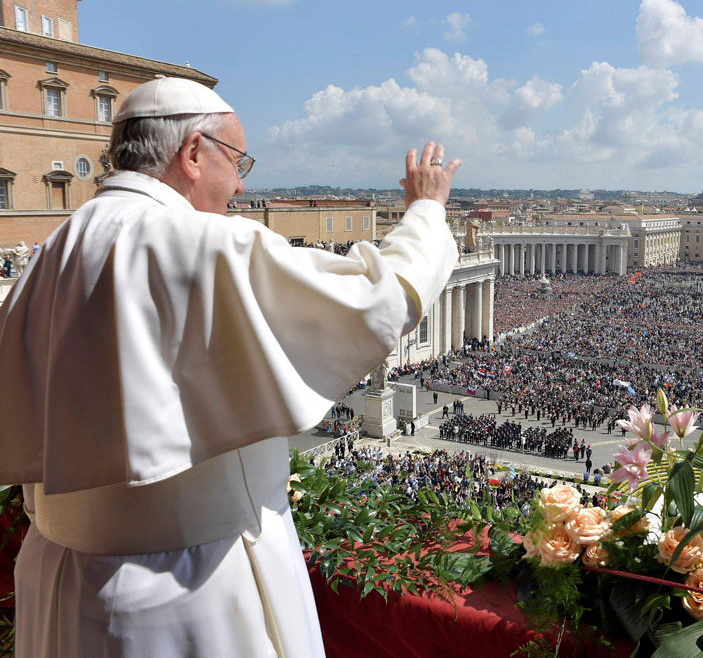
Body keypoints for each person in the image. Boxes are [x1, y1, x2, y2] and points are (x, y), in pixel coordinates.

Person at [0, 77, 462, 658]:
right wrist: (425, 211)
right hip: (192, 589)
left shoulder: (53, 252)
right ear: (193, 153)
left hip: (64, 582)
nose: (242, 184)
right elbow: (379, 301)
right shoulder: (205, 243)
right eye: (237, 160)